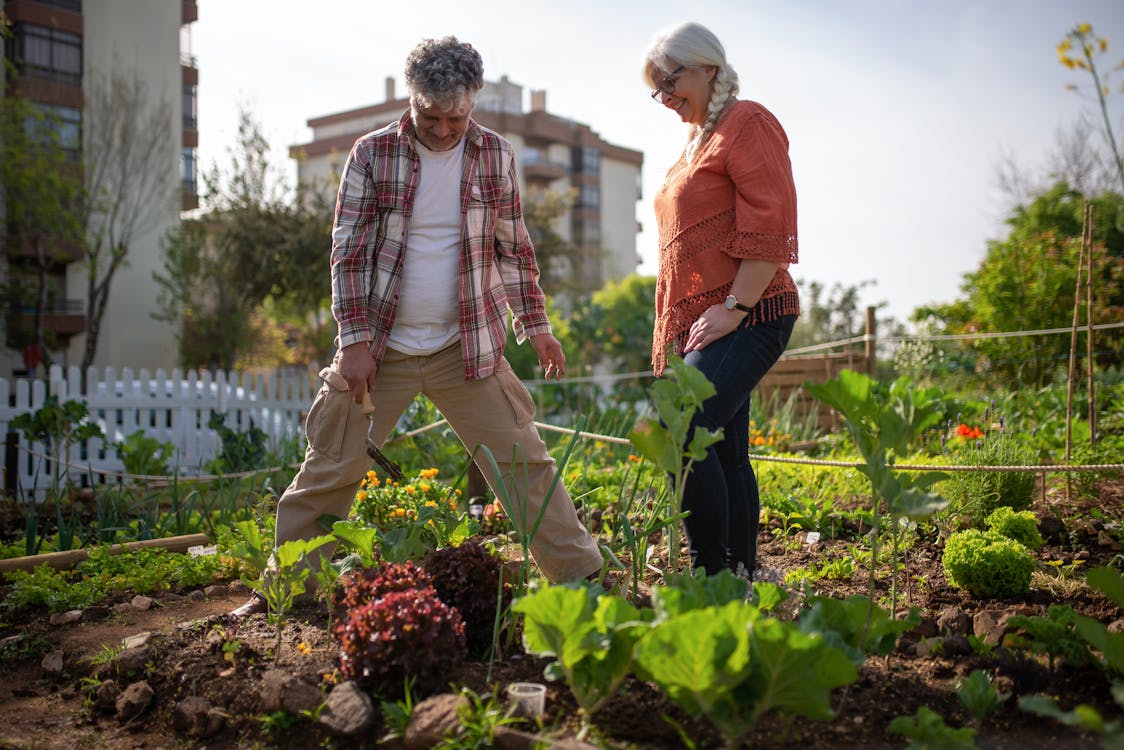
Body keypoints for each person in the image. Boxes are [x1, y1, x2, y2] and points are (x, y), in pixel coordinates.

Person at [231, 36, 603, 616]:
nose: (445, 128)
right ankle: (287, 590)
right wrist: (354, 342)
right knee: (332, 465)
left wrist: (537, 325)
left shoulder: (496, 155)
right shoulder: (371, 154)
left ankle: (579, 578)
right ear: (412, 99)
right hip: (382, 350)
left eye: (458, 116)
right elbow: (348, 254)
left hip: (467, 348)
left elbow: (512, 249)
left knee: (524, 464)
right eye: (432, 116)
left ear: (473, 102)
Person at [641, 22, 800, 579]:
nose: (664, 97)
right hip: (710, 319)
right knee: (723, 450)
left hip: (751, 311)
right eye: (655, 89)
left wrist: (733, 307)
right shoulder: (696, 142)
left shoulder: (746, 122)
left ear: (707, 66)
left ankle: (714, 575)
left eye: (670, 80)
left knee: (680, 427)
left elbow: (770, 219)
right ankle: (742, 576)